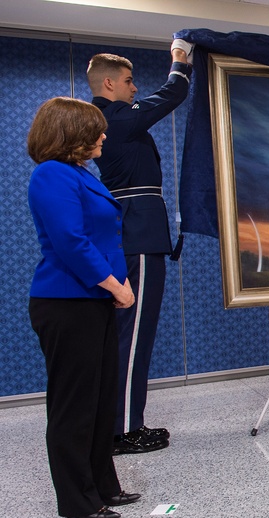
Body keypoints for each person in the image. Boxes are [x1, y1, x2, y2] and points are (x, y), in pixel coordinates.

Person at [27, 97, 141, 518]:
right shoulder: (51, 175)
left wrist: (116, 284)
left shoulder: (78, 173)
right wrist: (116, 285)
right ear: (71, 132)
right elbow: (71, 241)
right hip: (66, 304)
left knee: (99, 399)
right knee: (74, 406)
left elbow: (102, 237)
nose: (104, 135)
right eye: (97, 129)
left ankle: (103, 485)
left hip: (92, 300)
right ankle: (78, 502)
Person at [87, 40, 193, 455]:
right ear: (109, 84)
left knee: (127, 336)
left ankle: (121, 422)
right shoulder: (113, 117)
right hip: (140, 236)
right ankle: (125, 429)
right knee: (134, 337)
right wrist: (179, 61)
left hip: (132, 235)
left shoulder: (109, 120)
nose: (135, 89)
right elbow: (173, 95)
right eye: (129, 82)